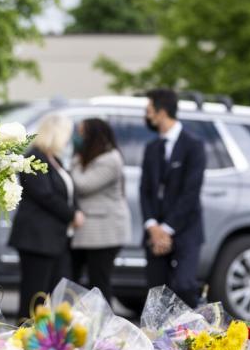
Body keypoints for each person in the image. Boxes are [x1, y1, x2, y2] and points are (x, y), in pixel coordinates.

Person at [8, 114, 84, 321]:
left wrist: (75, 209)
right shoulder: (34, 158)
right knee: (34, 295)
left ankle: (49, 338)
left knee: (59, 294)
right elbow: (45, 195)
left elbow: (67, 191)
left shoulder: (56, 159)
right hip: (37, 239)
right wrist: (72, 214)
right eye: (67, 135)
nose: (69, 140)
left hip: (57, 239)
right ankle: (25, 336)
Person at [139, 88, 207, 308]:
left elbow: (191, 192)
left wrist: (166, 230)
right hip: (155, 229)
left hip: (185, 228)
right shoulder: (151, 148)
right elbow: (145, 190)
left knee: (184, 286)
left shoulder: (193, 146)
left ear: (162, 112)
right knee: (156, 293)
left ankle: (193, 335)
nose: (147, 115)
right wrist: (153, 227)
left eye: (149, 110)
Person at [70, 118, 131, 308]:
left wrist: (74, 161)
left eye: (81, 133)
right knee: (76, 281)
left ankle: (105, 328)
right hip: (89, 232)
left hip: (106, 232)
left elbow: (83, 184)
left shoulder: (110, 159)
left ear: (93, 135)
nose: (77, 138)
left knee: (99, 283)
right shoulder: (91, 157)